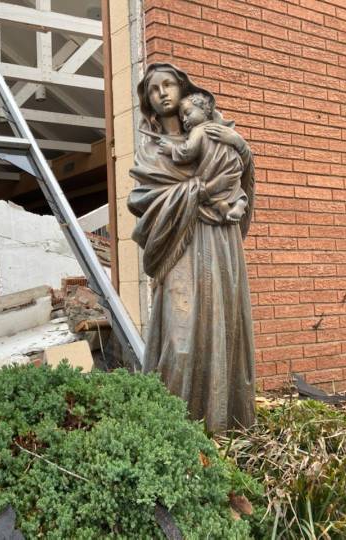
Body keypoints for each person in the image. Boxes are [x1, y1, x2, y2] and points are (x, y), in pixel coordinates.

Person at [127, 63, 256, 433]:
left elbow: (239, 178)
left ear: (185, 90)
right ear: (148, 101)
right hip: (180, 241)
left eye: (169, 85)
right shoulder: (151, 148)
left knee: (223, 322)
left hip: (218, 241)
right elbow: (143, 197)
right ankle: (173, 430)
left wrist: (243, 148)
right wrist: (200, 190)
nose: (162, 93)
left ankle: (222, 423)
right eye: (154, 89)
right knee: (178, 338)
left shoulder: (216, 132)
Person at [155, 92, 248, 224]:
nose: (185, 120)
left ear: (204, 110)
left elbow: (188, 152)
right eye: (182, 118)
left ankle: (222, 206)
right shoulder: (219, 127)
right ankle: (238, 203)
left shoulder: (197, 131)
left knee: (208, 195)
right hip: (233, 166)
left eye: (188, 113)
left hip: (216, 170)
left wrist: (171, 149)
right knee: (234, 189)